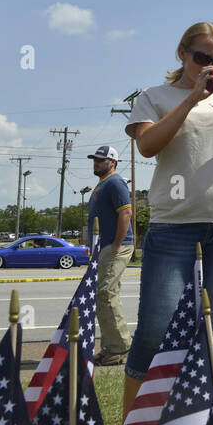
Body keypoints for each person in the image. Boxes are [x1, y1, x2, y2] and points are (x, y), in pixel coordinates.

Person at [120, 22, 213, 422]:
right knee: (155, 329)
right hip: (173, 228)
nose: (209, 67)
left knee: (208, 329)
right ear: (182, 53)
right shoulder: (155, 97)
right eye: (201, 58)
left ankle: (195, 422)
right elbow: (148, 146)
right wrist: (192, 98)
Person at [86, 145, 134, 366]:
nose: (96, 162)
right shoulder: (102, 184)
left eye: (101, 159)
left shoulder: (115, 182)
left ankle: (121, 346)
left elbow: (126, 212)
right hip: (103, 247)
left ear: (112, 162)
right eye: (95, 159)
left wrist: (116, 244)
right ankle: (109, 347)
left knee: (105, 292)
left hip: (117, 245)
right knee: (103, 294)